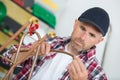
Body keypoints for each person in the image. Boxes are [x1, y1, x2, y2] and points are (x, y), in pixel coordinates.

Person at [1, 7, 110, 80]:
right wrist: (31, 52)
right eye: (82, 28)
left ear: (99, 41)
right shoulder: (50, 41)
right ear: (75, 23)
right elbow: (5, 58)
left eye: (92, 35)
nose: (83, 37)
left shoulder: (98, 74)